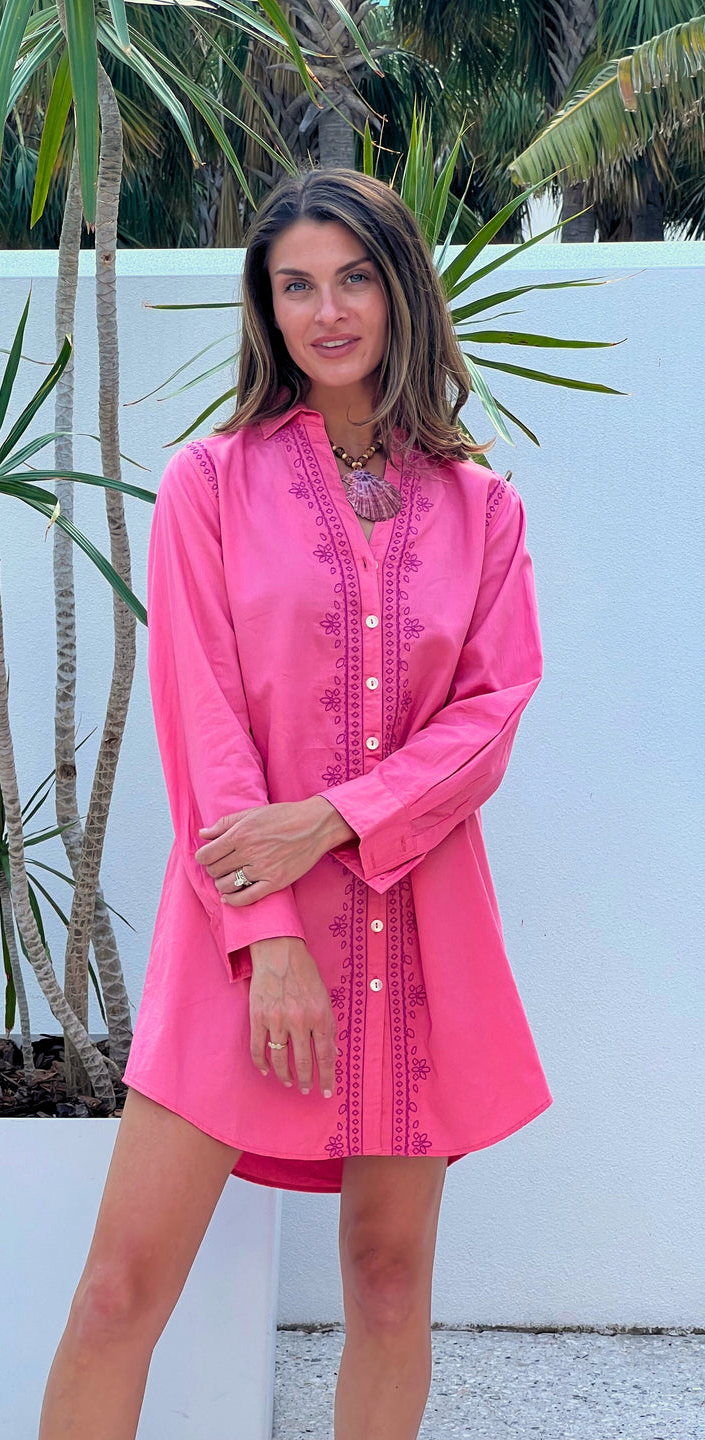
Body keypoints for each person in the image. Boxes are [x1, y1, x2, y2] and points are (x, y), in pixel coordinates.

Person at [38, 167, 552, 1440]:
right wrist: (268, 942)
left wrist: (330, 817)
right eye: (296, 285)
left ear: (402, 289)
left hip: (415, 932)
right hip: (240, 931)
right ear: (265, 309)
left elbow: (490, 716)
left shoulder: (482, 507)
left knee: (388, 1282)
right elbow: (204, 727)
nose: (328, 311)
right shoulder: (210, 484)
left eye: (355, 278)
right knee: (117, 1291)